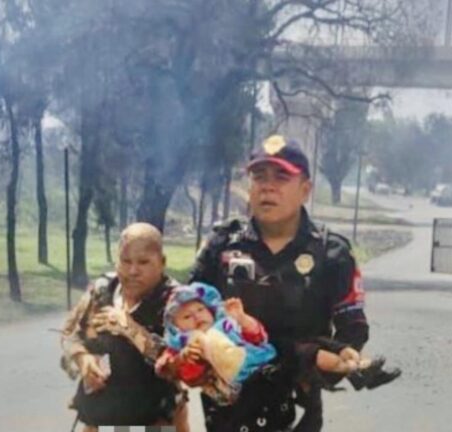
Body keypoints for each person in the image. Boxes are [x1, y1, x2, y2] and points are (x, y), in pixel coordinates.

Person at [190, 135, 386, 432]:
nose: (267, 186)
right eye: (259, 177)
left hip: (297, 411)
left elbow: (352, 329)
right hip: (228, 411)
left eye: (281, 177)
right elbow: (185, 313)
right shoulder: (221, 245)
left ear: (305, 189)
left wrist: (332, 362)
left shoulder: (331, 253)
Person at [156, 282, 391, 407]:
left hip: (266, 360)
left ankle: (355, 365)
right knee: (303, 355)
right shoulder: (183, 346)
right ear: (176, 327)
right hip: (244, 387)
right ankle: (350, 367)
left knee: (308, 347)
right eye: (187, 317)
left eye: (200, 310)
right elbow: (181, 372)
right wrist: (185, 358)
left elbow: (259, 337)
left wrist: (242, 319)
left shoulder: (226, 326)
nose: (197, 317)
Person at [60, 223, 188, 432]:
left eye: (143, 262)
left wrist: (130, 328)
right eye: (125, 261)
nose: (133, 271)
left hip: (154, 421)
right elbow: (69, 335)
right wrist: (82, 359)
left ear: (162, 263)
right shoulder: (102, 290)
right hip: (98, 419)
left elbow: (181, 364)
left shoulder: (178, 301)